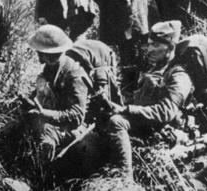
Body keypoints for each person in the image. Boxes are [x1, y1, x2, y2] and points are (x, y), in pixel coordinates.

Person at [69, 21, 193, 181]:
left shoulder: (178, 76)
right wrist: (113, 105)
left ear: (170, 47)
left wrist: (125, 111)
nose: (149, 50)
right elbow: (138, 102)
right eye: (148, 45)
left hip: (159, 129)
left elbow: (165, 112)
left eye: (155, 45)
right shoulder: (154, 70)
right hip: (142, 124)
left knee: (117, 122)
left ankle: (126, 181)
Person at [18, 25, 90, 171]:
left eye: (40, 51)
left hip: (74, 128)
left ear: (48, 54)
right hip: (55, 118)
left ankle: (36, 181)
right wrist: (30, 103)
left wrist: (44, 114)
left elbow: (77, 116)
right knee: (15, 126)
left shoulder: (74, 74)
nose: (37, 54)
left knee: (46, 137)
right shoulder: (50, 68)